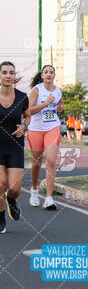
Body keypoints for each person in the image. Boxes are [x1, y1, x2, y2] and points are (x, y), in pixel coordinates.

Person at [0, 62, 31, 233]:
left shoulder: (22, 97)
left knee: (14, 189)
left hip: (15, 147)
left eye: (11, 73)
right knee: (0, 184)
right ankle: (0, 217)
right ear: (0, 76)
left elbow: (28, 116)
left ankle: (11, 200)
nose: (8, 76)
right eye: (4, 72)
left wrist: (24, 126)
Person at [27, 64, 64, 210]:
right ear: (42, 75)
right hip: (35, 129)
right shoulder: (36, 90)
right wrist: (46, 103)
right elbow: (29, 111)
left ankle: (49, 198)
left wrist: (60, 108)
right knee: (37, 163)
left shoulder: (58, 91)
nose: (49, 74)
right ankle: (34, 190)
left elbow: (60, 105)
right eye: (46, 72)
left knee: (51, 160)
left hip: (52, 127)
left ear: (54, 75)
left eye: (51, 72)